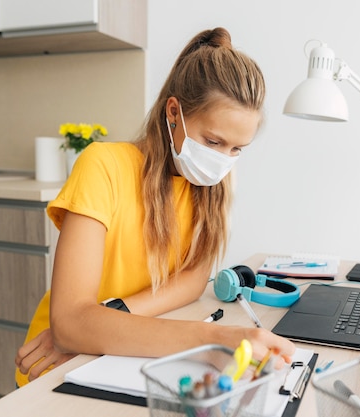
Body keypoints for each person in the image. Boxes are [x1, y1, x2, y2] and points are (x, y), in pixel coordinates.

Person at [15, 27, 296, 387]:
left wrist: (107, 319)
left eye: (236, 149)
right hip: (57, 365)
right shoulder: (102, 166)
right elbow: (69, 325)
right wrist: (216, 340)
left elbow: (192, 281)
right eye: (213, 141)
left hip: (113, 351)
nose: (223, 161)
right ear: (174, 111)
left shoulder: (212, 183)